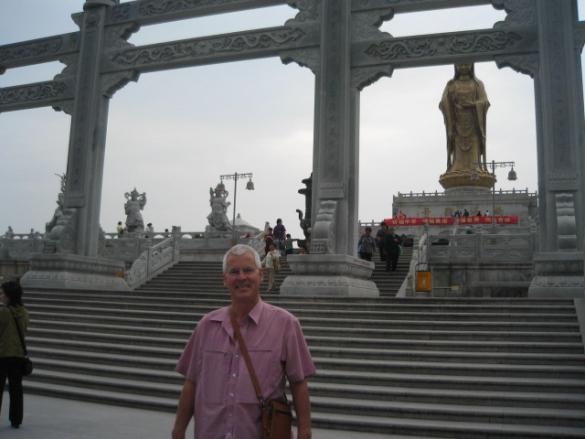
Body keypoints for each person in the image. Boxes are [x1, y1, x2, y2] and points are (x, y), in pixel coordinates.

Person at [172, 244, 315, 439]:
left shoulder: (286, 324)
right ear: (225, 279)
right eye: (234, 272)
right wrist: (178, 430)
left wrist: (304, 432)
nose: (241, 278)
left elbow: (299, 383)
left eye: (248, 270)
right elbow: (191, 383)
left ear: (261, 275)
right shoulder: (207, 325)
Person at [439, 63, 490, 173]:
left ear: (471, 65)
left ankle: (475, 167)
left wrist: (473, 104)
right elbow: (443, 103)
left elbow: (484, 102)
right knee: (457, 142)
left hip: (474, 122)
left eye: (466, 64)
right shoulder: (451, 85)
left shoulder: (477, 84)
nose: (463, 67)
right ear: (455, 66)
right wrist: (450, 103)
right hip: (457, 122)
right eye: (460, 64)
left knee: (474, 142)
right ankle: (456, 166)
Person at [0, 280, 29, 429]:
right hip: (18, 355)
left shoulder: (3, 312)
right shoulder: (24, 312)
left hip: (3, 354)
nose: (1, 296)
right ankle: (16, 419)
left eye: (3, 293)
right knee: (16, 389)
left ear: (9, 296)